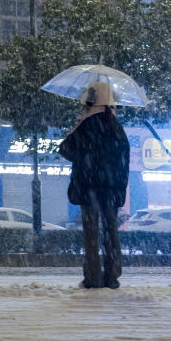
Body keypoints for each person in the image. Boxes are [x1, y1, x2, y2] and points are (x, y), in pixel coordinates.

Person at [58, 82, 130, 289]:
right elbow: (124, 162)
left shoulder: (86, 125)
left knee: (91, 235)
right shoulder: (116, 127)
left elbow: (66, 150)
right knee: (111, 233)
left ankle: (93, 277)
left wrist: (78, 125)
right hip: (110, 191)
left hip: (89, 189)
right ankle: (112, 276)